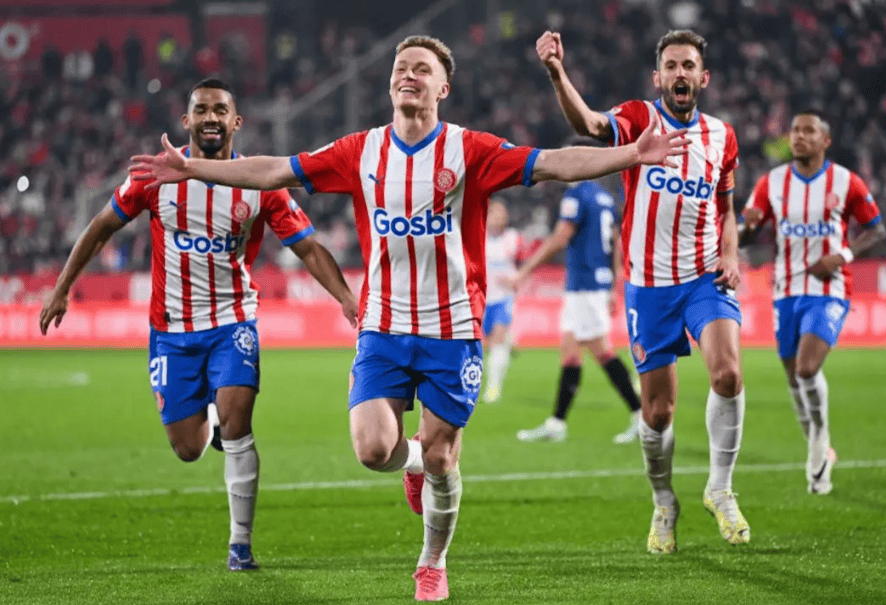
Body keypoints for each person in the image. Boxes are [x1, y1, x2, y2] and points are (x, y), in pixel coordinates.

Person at [129, 36, 686, 601]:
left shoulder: (469, 150)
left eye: (422, 69)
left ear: (443, 88)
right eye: (401, 67)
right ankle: (411, 459)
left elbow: (551, 162)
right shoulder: (361, 151)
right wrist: (191, 167)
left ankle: (432, 562)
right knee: (374, 450)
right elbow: (276, 170)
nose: (409, 75)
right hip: (384, 329)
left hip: (452, 331)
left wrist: (629, 155)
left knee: (444, 458)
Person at [39, 78, 359, 571]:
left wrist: (345, 297)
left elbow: (308, 247)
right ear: (187, 121)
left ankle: (240, 545)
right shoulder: (155, 178)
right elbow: (102, 225)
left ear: (236, 122)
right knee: (188, 448)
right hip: (172, 331)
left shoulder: (260, 184)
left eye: (220, 110)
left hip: (233, 322)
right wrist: (63, 287)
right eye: (202, 110)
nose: (211, 118)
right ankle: (210, 419)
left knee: (238, 425)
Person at [536, 29, 748, 554]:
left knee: (728, 374)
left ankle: (720, 489)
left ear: (703, 77)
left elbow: (725, 209)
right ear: (659, 77)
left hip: (703, 277)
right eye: (671, 65)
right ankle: (663, 501)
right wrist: (557, 72)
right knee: (657, 413)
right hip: (649, 285)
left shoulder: (722, 136)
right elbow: (587, 125)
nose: (680, 73)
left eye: (688, 65)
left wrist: (730, 252)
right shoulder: (637, 118)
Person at [741, 110, 886, 495]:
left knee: (807, 368)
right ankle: (817, 443)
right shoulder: (771, 182)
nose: (799, 136)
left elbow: (877, 230)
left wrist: (843, 256)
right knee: (793, 377)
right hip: (785, 289)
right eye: (795, 130)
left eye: (808, 131)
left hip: (829, 288)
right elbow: (745, 233)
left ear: (826, 140)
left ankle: (820, 440)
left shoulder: (846, 182)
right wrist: (747, 227)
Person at [511, 177, 642, 444]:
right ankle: (557, 424)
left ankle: (642, 416)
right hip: (593, 284)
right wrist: (613, 284)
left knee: (602, 351)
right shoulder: (604, 197)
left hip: (585, 284)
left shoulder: (576, 195)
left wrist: (524, 271)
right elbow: (616, 241)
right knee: (570, 354)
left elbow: (560, 237)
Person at [482, 199, 521, 403]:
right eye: (495, 215)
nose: (500, 219)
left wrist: (515, 278)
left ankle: (493, 388)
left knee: (497, 341)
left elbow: (522, 264)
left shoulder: (513, 238)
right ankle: (508, 341)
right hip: (482, 299)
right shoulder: (478, 238)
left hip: (503, 298)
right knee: (489, 344)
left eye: (502, 216)